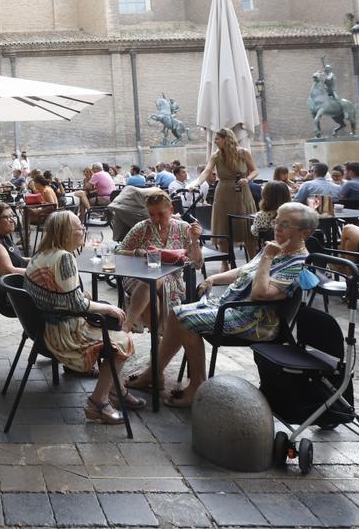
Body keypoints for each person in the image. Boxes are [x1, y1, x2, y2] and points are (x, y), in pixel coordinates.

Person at [171, 202, 315, 406]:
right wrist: (214, 278)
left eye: (284, 224)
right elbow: (244, 271)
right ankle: (155, 372)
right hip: (231, 305)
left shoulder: (297, 263)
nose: (276, 227)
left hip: (255, 320)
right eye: (276, 220)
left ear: (304, 233)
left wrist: (267, 257)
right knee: (175, 312)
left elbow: (260, 293)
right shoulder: (277, 248)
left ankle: (197, 385)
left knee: (183, 318)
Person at [24, 212, 138, 422]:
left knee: (112, 330)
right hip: (63, 334)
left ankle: (117, 390)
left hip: (44, 327)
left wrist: (81, 297)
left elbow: (63, 296)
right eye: (79, 228)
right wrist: (107, 309)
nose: (83, 230)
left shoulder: (41, 254)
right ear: (66, 233)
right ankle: (98, 402)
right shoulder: (64, 258)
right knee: (124, 340)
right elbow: (76, 305)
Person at [117, 190, 203, 351]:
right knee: (151, 281)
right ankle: (152, 346)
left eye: (161, 214)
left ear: (171, 209)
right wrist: (138, 252)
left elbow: (197, 263)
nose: (156, 219)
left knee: (153, 293)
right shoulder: (142, 228)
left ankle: (133, 331)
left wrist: (195, 240)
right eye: (151, 214)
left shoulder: (184, 229)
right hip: (138, 276)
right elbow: (119, 251)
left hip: (170, 280)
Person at [189, 127, 258, 260]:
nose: (215, 141)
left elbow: (255, 170)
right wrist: (196, 184)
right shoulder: (216, 155)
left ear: (227, 139)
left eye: (217, 139)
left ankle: (253, 260)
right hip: (223, 192)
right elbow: (206, 171)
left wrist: (247, 179)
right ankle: (225, 262)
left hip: (242, 191)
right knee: (223, 226)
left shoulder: (243, 152)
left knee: (246, 225)